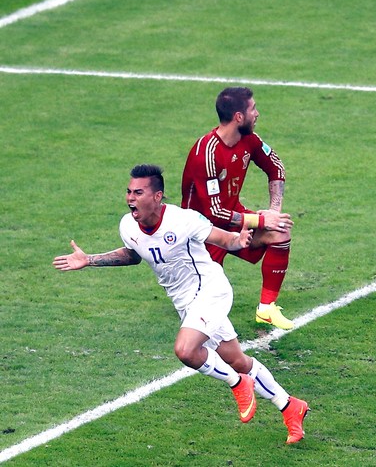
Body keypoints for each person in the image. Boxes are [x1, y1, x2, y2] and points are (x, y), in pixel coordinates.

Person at [52, 164, 309, 443]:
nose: (130, 198)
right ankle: (290, 406)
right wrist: (89, 259)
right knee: (237, 360)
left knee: (186, 350)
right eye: (128, 192)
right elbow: (133, 254)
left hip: (211, 290)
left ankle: (237, 383)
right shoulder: (127, 226)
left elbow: (225, 239)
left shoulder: (183, 220)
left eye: (138, 192)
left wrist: (241, 239)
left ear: (157, 196)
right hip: (185, 303)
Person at [181, 87, 294, 330]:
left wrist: (273, 212)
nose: (258, 114)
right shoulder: (207, 154)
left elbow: (276, 168)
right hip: (200, 233)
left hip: (232, 221)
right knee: (203, 306)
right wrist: (262, 221)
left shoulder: (249, 140)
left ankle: (266, 309)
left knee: (280, 230)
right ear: (239, 117)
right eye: (253, 109)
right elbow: (213, 212)